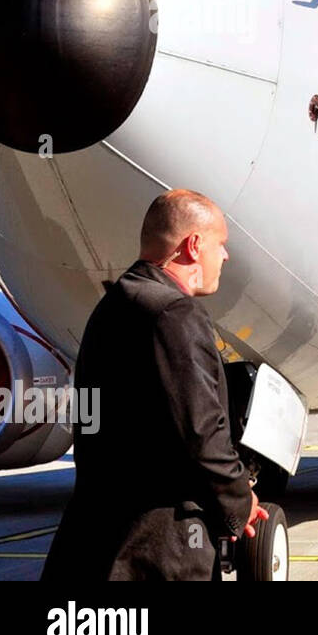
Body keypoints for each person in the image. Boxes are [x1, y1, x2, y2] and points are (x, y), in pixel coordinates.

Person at [42, 190, 264, 581]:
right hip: (158, 552)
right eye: (221, 244)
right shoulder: (174, 312)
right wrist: (239, 499)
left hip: (92, 543)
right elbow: (201, 432)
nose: (225, 257)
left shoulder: (114, 305)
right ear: (194, 246)